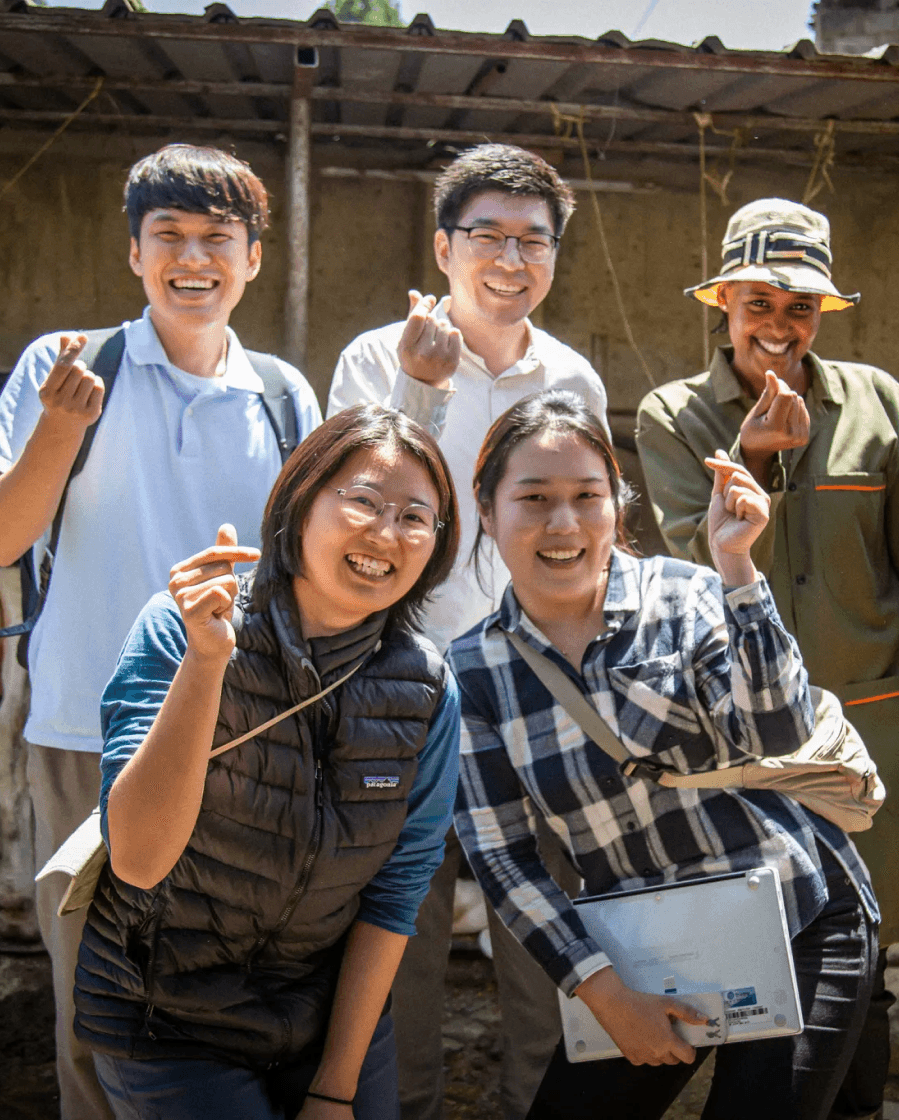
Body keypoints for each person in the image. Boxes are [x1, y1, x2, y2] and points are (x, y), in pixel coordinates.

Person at [0, 143, 320, 1119]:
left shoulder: (285, 396)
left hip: (245, 741)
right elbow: (3, 538)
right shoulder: (68, 366)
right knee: (92, 993)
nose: (192, 258)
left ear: (253, 259)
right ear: (133, 253)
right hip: (89, 737)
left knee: (237, 986)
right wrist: (55, 432)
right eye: (168, 235)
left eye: (218, 239)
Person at [450, 390, 879, 1120]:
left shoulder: (683, 598)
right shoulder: (472, 672)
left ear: (617, 508)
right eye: (535, 499)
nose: (564, 523)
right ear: (487, 513)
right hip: (651, 949)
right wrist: (605, 995)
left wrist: (739, 568)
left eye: (588, 496)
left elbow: (777, 732)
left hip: (798, 915)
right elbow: (501, 857)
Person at [73, 404, 463, 1120]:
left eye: (416, 517)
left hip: (326, 1015)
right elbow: (137, 859)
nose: (386, 533)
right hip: (166, 1017)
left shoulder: (428, 687)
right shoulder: (181, 628)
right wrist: (207, 663)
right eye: (364, 502)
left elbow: (396, 891)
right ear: (300, 502)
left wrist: (335, 1086)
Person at [327, 143, 607, 1120]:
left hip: (530, 695)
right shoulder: (375, 357)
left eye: (532, 238)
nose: (509, 256)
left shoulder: (569, 377)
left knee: (542, 936)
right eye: (485, 234)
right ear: (443, 249)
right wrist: (419, 390)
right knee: (396, 933)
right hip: (395, 690)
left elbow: (579, 540)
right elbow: (352, 515)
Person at [636, 198, 899, 1120]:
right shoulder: (675, 416)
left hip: (872, 727)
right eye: (757, 301)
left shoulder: (877, 402)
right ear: (721, 301)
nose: (777, 324)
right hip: (739, 738)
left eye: (799, 307)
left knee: (865, 957)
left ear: (824, 315)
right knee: (756, 951)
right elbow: (692, 570)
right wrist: (752, 460)